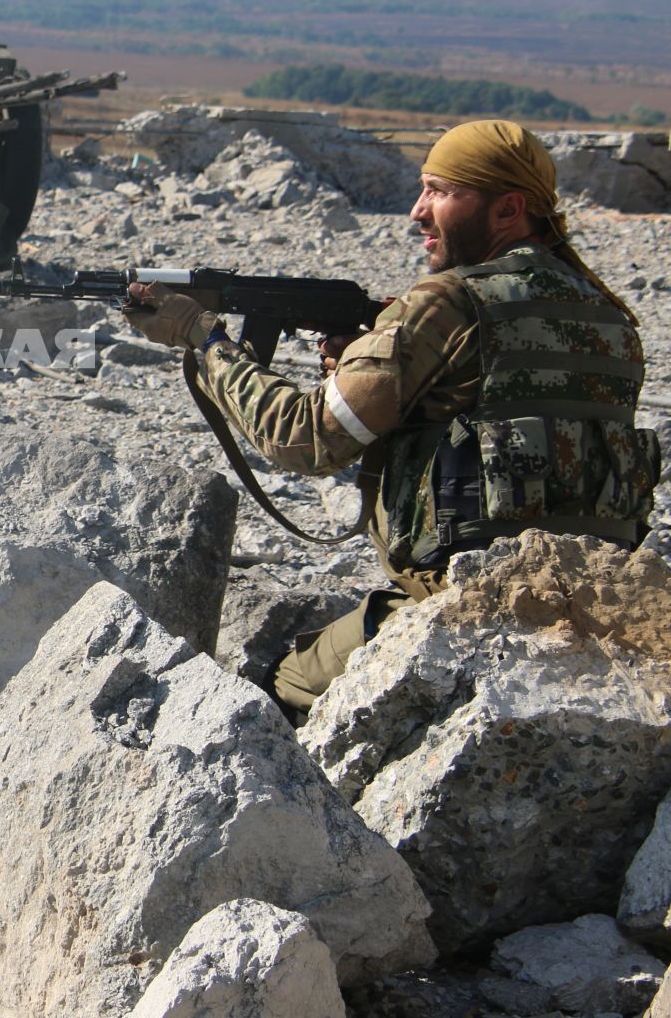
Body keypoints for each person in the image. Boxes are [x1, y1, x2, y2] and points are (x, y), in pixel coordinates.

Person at [125, 119, 658, 716]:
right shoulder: (611, 317)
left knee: (277, 691)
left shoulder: (449, 301)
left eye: (439, 191)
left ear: (508, 208)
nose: (416, 211)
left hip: (466, 603)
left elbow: (302, 439)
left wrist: (203, 338)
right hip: (594, 604)